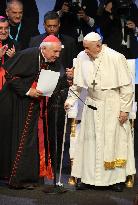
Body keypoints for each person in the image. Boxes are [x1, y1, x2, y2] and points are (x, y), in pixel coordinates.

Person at [64, 32, 136, 192]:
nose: (85, 51)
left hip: (112, 104)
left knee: (112, 142)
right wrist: (70, 100)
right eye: (84, 48)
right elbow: (77, 84)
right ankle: (88, 179)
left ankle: (116, 180)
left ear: (98, 45)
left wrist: (125, 109)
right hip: (92, 104)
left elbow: (126, 87)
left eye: (88, 48)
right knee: (90, 142)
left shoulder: (116, 57)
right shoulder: (82, 56)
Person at [0, 35, 69, 189]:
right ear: (43, 49)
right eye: (55, 52)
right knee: (21, 140)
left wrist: (68, 78)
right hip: (15, 102)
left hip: (34, 104)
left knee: (31, 141)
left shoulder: (51, 59)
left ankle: (30, 177)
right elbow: (9, 74)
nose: (57, 55)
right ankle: (19, 179)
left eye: (59, 52)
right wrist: (27, 90)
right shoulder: (29, 55)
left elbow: (58, 77)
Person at [29, 11, 76, 169]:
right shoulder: (35, 40)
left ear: (59, 25)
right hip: (40, 90)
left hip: (60, 91)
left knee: (58, 128)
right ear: (44, 25)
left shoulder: (69, 42)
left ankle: (55, 164)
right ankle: (39, 161)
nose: (52, 29)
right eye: (49, 26)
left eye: (55, 26)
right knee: (39, 128)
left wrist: (72, 74)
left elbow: (72, 63)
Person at [0, 16, 19, 90]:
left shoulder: (16, 44)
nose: (4, 31)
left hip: (9, 88)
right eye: (0, 28)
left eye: (6, 28)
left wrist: (15, 58)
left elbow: (21, 70)